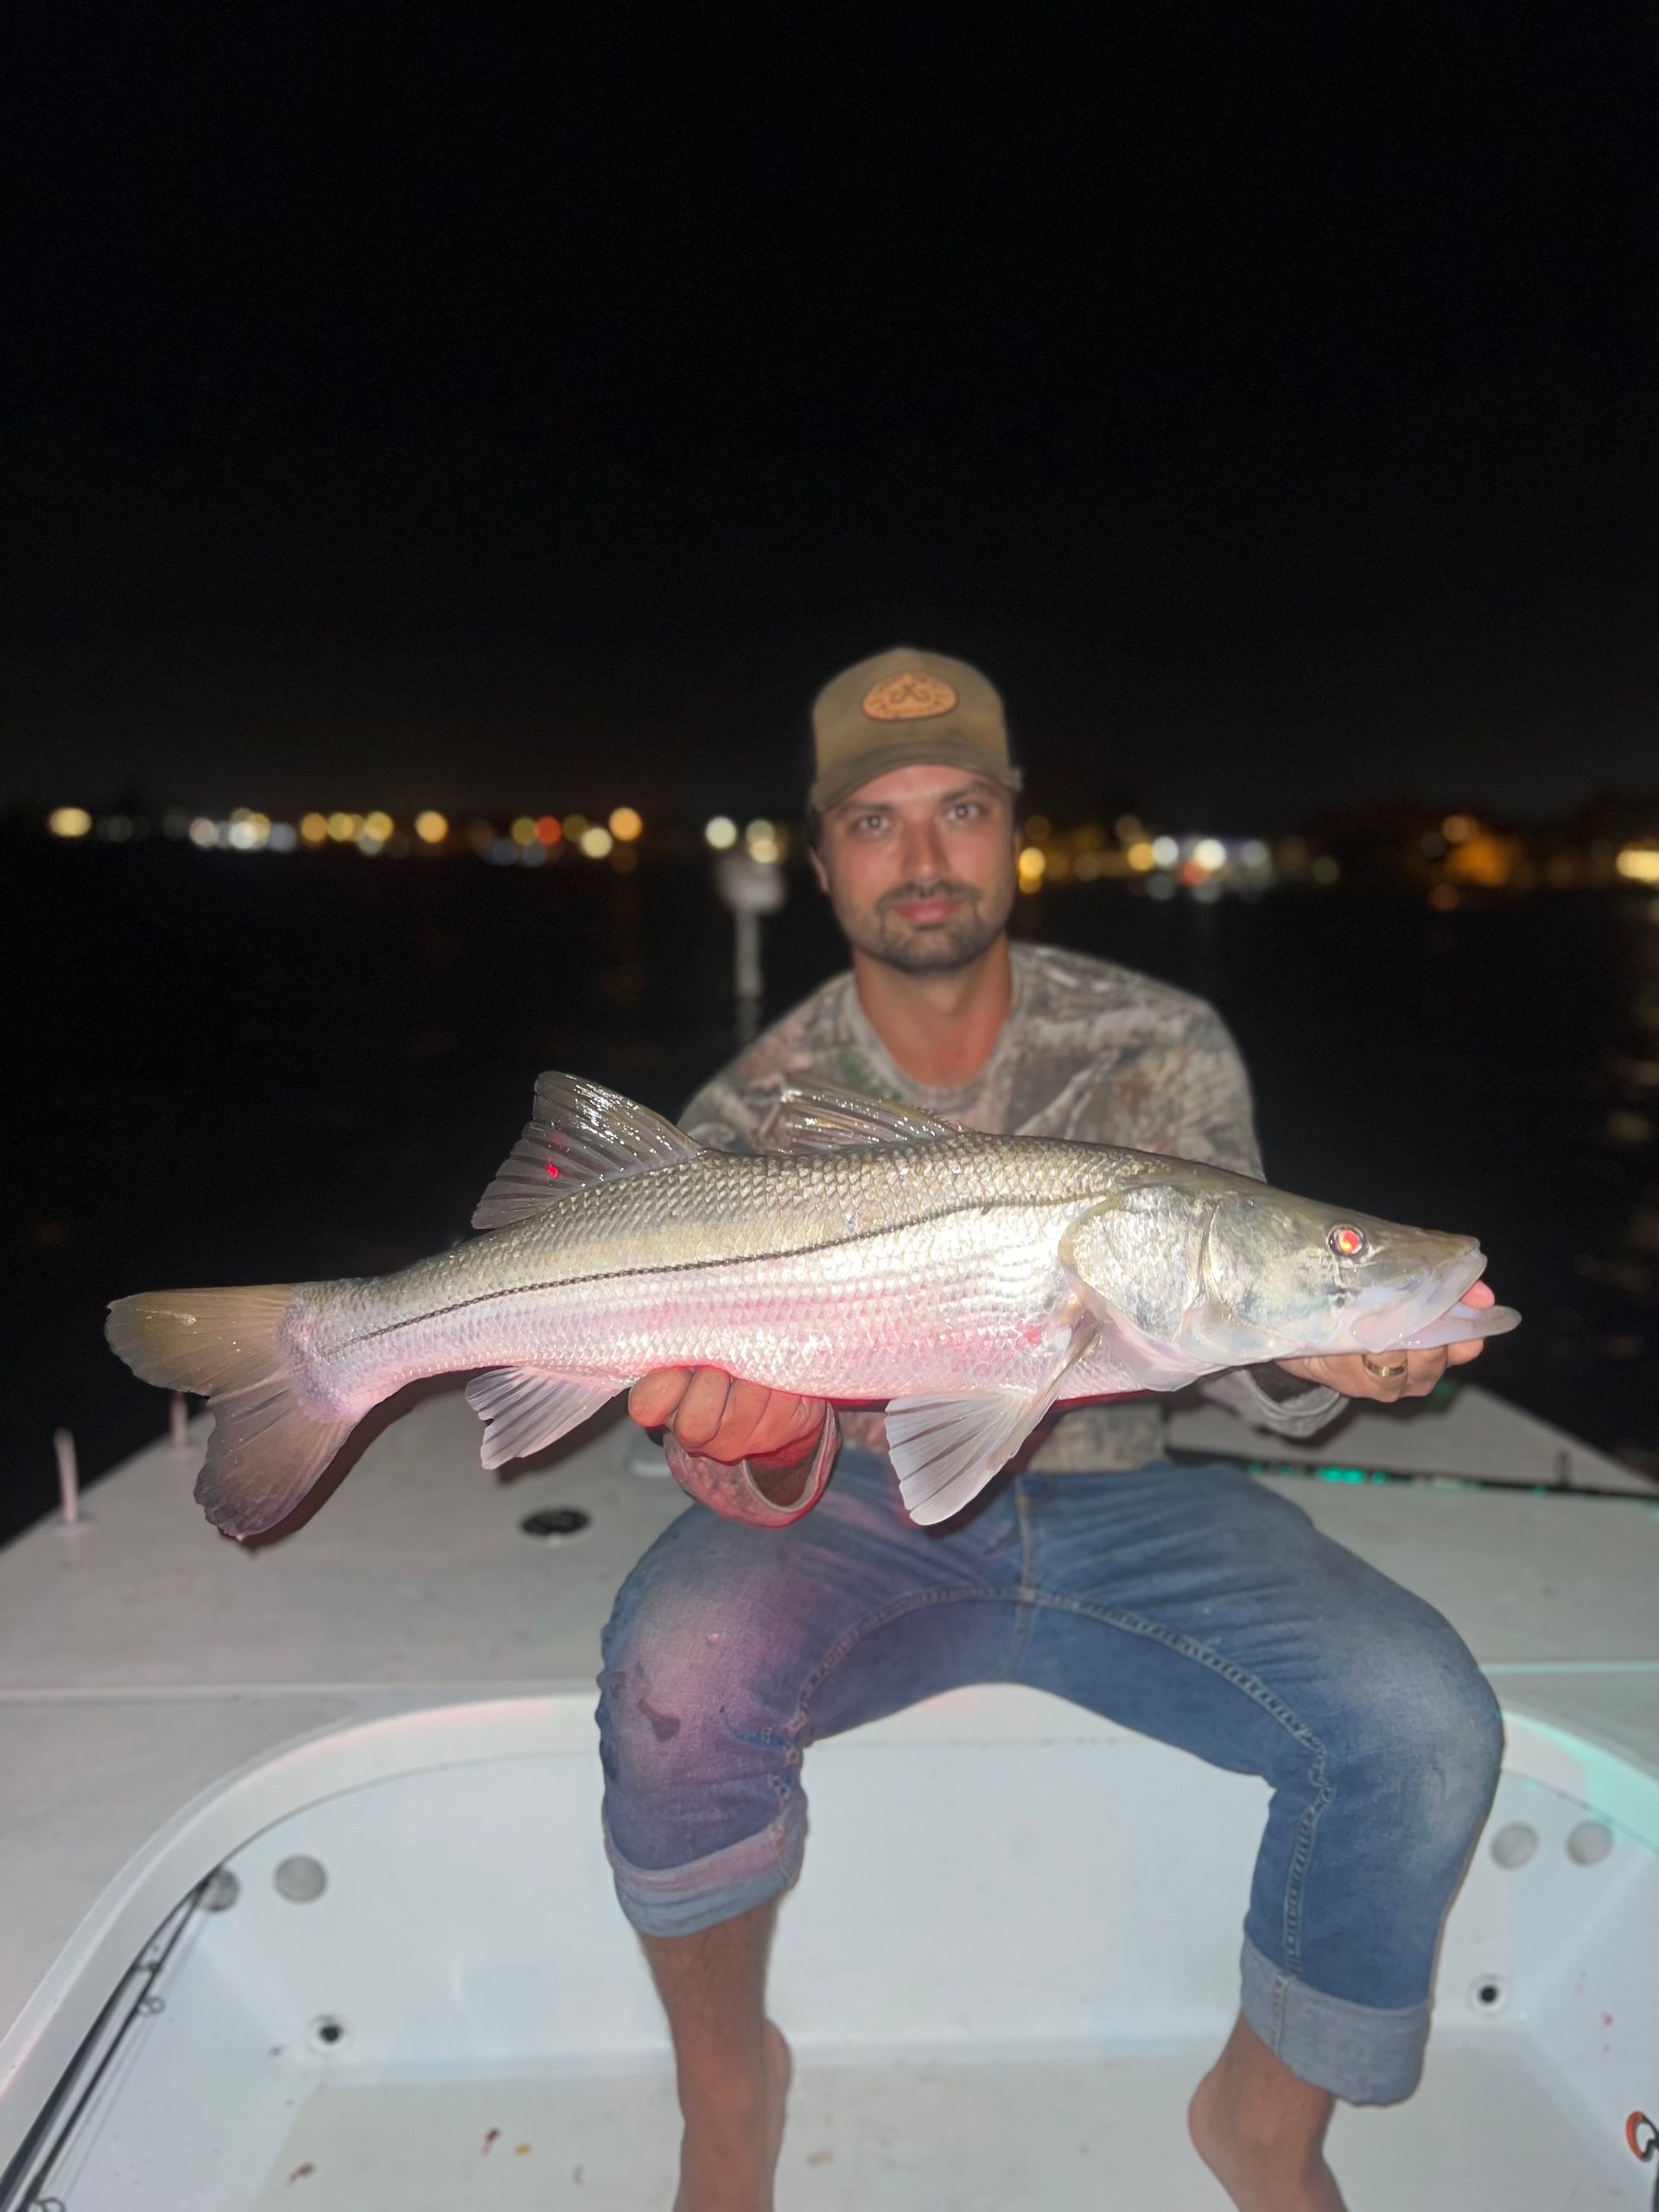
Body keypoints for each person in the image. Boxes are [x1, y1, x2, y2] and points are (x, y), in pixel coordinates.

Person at [599, 646, 1503, 2212]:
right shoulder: (751, 1108)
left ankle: (1263, 2126)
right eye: (877, 823)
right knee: (671, 1680)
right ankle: (730, 2110)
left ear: (1012, 827)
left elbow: (1237, 1335)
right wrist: (756, 1439)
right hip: (858, 1513)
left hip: (1129, 1504)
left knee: (1424, 1721)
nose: (925, 853)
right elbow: (727, 1459)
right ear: (822, 864)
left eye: (959, 807)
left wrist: (1334, 1349)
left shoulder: (1161, 1043)